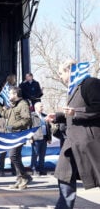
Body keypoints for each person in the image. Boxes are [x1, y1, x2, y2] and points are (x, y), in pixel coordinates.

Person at [45, 60, 100, 209]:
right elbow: (72, 113)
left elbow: (97, 107)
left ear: (70, 70)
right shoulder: (73, 88)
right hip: (72, 143)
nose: (60, 76)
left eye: (61, 72)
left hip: (89, 143)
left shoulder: (91, 83)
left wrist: (76, 113)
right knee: (64, 174)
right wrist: (58, 116)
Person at [0, 86, 32, 189]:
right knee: (15, 157)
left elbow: (27, 120)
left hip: (18, 134)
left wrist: (14, 126)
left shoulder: (23, 104)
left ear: (16, 94)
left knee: (13, 156)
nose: (9, 95)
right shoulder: (13, 105)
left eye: (11, 94)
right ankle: (20, 179)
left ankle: (25, 176)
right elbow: (5, 114)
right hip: (12, 135)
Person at [30, 102, 51, 176]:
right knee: (35, 155)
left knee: (42, 155)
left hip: (44, 138)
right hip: (36, 138)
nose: (42, 108)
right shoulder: (32, 116)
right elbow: (29, 127)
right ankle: (34, 169)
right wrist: (30, 137)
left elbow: (48, 127)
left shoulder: (45, 116)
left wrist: (49, 138)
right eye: (41, 106)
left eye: (42, 106)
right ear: (36, 107)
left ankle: (41, 169)